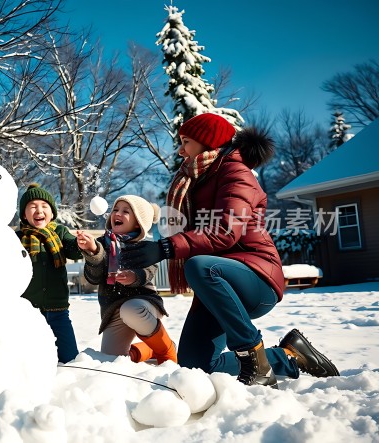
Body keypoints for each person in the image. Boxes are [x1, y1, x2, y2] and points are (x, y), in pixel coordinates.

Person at [120, 113, 339, 386]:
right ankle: (286, 356)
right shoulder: (195, 179)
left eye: (185, 142)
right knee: (195, 365)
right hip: (219, 282)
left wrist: (167, 247)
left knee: (198, 266)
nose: (180, 150)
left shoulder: (236, 173)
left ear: (205, 142)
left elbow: (225, 230)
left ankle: (252, 356)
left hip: (256, 277)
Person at [76, 195, 176, 364]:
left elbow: (149, 271)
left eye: (126, 211)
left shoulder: (145, 247)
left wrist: (134, 276)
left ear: (138, 222)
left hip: (143, 304)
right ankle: (145, 350)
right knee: (111, 361)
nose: (117, 214)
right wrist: (93, 252)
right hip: (114, 310)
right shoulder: (101, 245)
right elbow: (93, 278)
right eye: (115, 209)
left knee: (131, 309)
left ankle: (166, 349)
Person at [17, 184, 95, 363]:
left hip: (57, 308)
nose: (39, 210)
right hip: (27, 310)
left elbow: (72, 249)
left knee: (69, 357)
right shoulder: (17, 238)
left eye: (44, 206)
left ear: (52, 213)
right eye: (33, 206)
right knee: (30, 358)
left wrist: (81, 244)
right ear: (24, 214)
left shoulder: (59, 232)